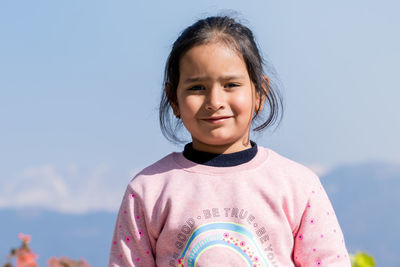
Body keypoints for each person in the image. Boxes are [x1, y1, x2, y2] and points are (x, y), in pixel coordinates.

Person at [109, 15, 350, 267]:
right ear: (173, 99)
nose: (214, 101)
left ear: (259, 94)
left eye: (231, 84)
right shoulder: (149, 190)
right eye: (197, 88)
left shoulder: (297, 186)